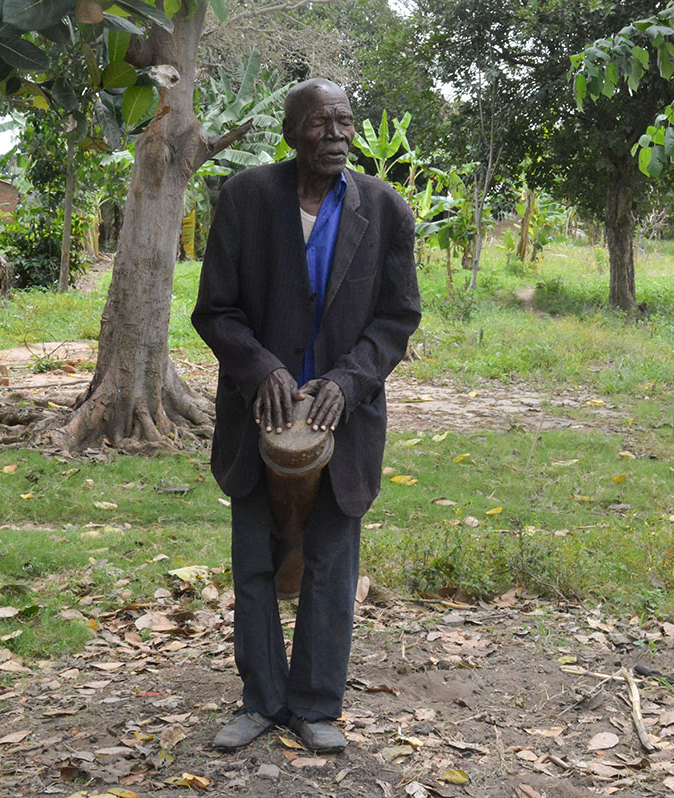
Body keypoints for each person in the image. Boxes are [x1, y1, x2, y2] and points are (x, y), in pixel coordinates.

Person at [191, 78, 421, 753]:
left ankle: (317, 704)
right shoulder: (246, 199)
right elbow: (215, 309)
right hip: (256, 413)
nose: (339, 135)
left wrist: (350, 382)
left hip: (343, 418)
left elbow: (398, 317)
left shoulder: (386, 210)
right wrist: (259, 367)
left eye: (346, 122)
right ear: (291, 132)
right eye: (322, 123)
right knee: (255, 561)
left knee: (330, 563)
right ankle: (261, 700)